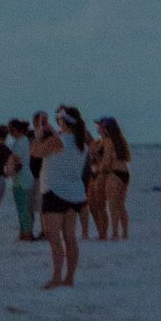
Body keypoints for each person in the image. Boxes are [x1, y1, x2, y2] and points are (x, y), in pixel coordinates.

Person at [32, 103, 90, 288]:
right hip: (75, 193)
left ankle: (57, 276)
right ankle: (69, 277)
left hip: (55, 191)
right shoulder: (81, 143)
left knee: (54, 237)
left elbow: (35, 152)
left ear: (63, 121)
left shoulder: (60, 140)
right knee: (70, 236)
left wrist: (38, 132)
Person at [96, 118, 132, 239]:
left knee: (112, 205)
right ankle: (125, 233)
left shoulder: (108, 141)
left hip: (114, 174)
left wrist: (98, 170)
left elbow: (106, 161)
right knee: (121, 205)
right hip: (125, 173)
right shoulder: (120, 139)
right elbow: (126, 157)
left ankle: (115, 232)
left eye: (100, 126)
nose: (98, 128)